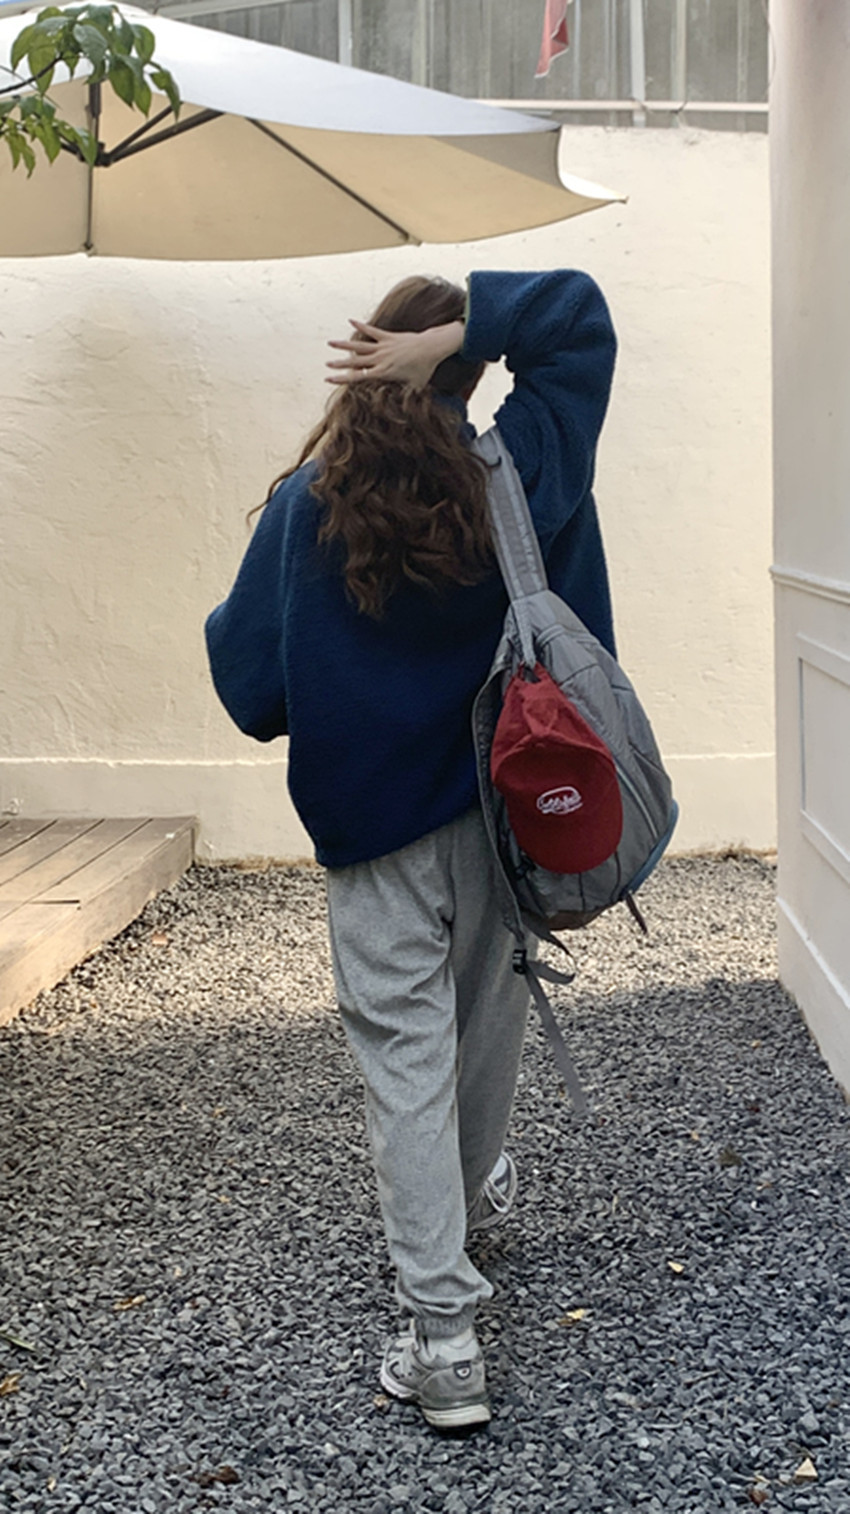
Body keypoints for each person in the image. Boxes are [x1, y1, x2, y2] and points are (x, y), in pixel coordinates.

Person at [205, 268, 617, 1432]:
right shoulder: (524, 470)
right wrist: (462, 330)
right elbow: (575, 315)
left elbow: (249, 684)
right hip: (504, 818)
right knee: (480, 1043)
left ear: (375, 353)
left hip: (372, 825)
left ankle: (443, 1337)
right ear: (470, 365)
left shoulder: (311, 503)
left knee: (404, 1064)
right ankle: (465, 1210)